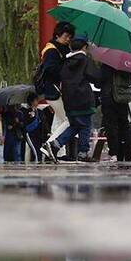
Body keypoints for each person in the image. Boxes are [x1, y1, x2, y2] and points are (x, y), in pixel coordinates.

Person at [42, 35, 100, 162]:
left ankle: (55, 145)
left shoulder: (65, 62)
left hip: (68, 100)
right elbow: (95, 77)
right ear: (84, 47)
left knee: (75, 126)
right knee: (85, 125)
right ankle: (83, 153)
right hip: (83, 99)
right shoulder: (84, 60)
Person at [36, 22, 75, 161]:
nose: (68, 39)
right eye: (66, 36)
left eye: (70, 36)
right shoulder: (51, 50)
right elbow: (51, 70)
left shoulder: (62, 50)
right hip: (53, 90)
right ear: (57, 35)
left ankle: (59, 154)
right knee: (69, 120)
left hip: (57, 90)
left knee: (58, 121)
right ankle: (49, 145)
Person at [100, 64, 131, 162]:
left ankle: (114, 154)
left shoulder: (106, 65)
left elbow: (99, 81)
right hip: (122, 99)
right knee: (125, 126)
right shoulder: (126, 65)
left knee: (111, 127)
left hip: (109, 99)